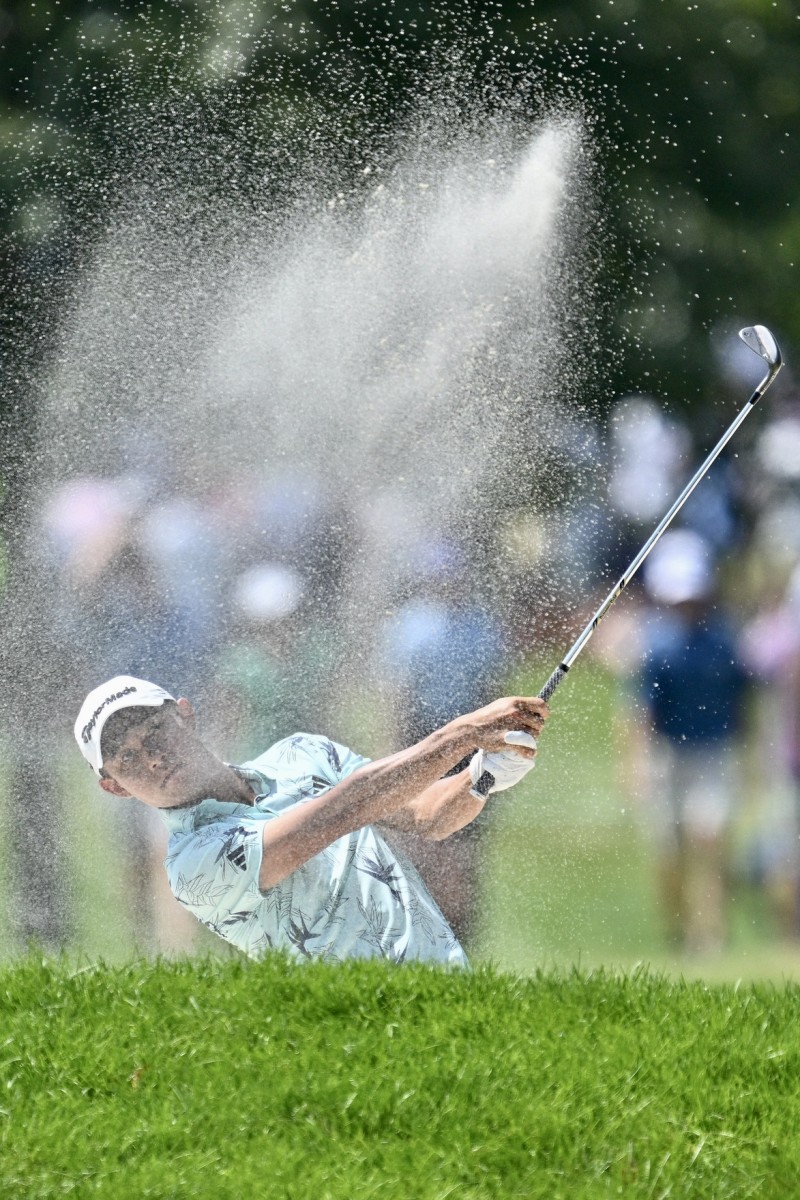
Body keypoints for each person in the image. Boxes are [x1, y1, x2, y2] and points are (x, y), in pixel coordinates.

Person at [74, 675, 547, 966]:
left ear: (185, 715)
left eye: (155, 730)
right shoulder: (193, 864)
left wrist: (481, 776)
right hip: (360, 1034)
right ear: (114, 787)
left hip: (447, 982)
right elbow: (344, 810)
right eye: (126, 758)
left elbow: (427, 815)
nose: (152, 758)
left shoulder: (304, 753)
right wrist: (462, 733)